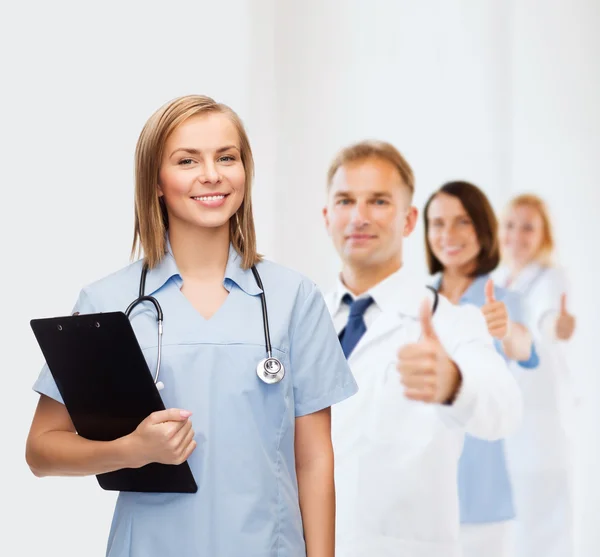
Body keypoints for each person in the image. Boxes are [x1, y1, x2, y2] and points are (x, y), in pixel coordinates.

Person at [25, 95, 358, 557]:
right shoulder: (107, 302)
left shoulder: (292, 298)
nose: (212, 175)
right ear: (156, 183)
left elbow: (315, 458)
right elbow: (42, 450)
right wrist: (131, 450)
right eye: (187, 160)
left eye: (227, 157)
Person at [321, 140, 523, 557]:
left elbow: (504, 408)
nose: (359, 217)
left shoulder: (450, 321)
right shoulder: (298, 322)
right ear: (327, 216)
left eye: (378, 201)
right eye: (345, 201)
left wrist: (454, 383)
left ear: (409, 219)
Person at [423, 181, 539, 557]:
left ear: (483, 229)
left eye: (463, 222)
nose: (448, 235)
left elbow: (524, 348)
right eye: (437, 223)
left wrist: (506, 331)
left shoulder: (503, 301)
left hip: (480, 495)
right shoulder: (415, 300)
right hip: (421, 489)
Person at [493, 193, 577, 557]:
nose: (517, 235)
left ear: (543, 235)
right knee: (519, 528)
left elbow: (547, 319)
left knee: (546, 528)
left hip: (540, 426)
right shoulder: (501, 281)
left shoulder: (550, 277)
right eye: (510, 225)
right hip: (512, 422)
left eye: (528, 227)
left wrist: (557, 326)